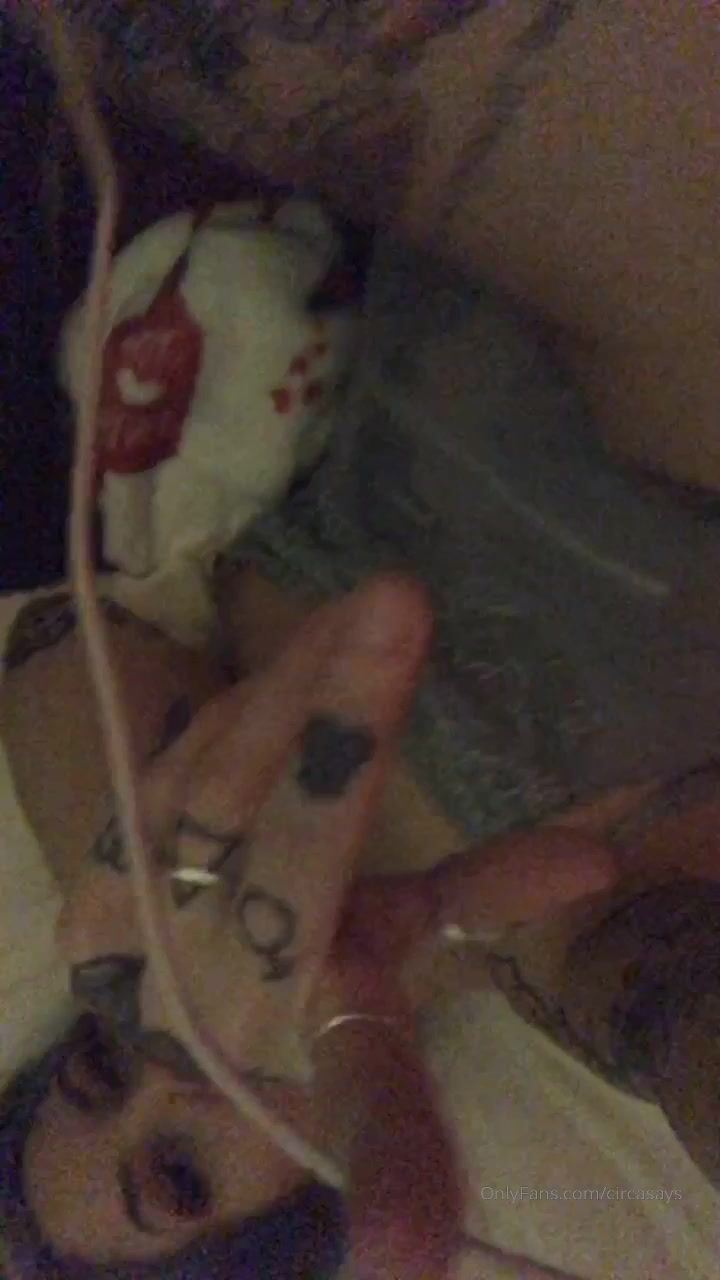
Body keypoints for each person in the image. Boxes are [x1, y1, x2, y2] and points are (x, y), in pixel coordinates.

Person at [2, 2, 720, 1275]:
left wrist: (150, 918)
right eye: (179, 1172)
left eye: (104, 1065)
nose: (171, 1077)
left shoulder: (179, 817)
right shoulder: (575, 955)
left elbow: (62, 628)